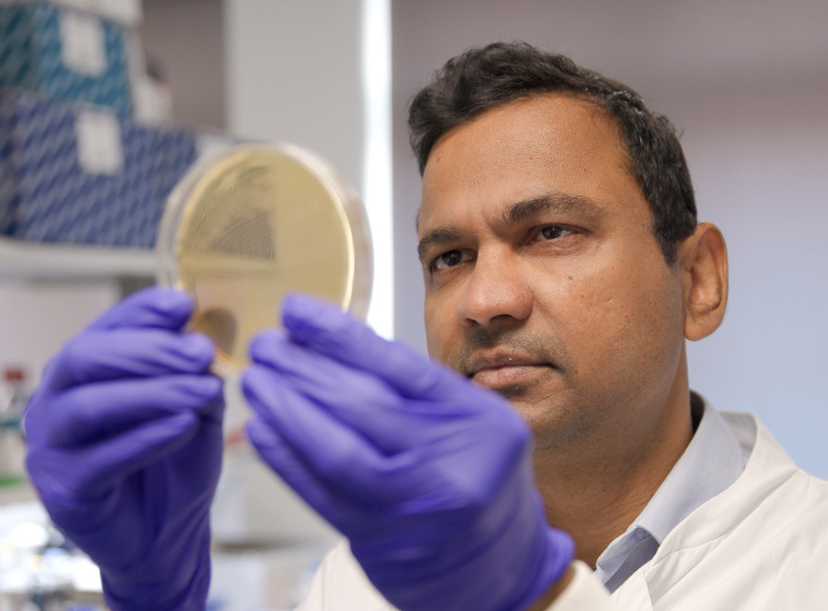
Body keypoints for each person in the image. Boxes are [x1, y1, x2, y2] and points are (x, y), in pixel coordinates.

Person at [23, 42, 828, 611]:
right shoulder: (364, 577)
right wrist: (156, 595)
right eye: (448, 255)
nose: (485, 299)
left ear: (697, 281)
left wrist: (531, 595)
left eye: (550, 231)